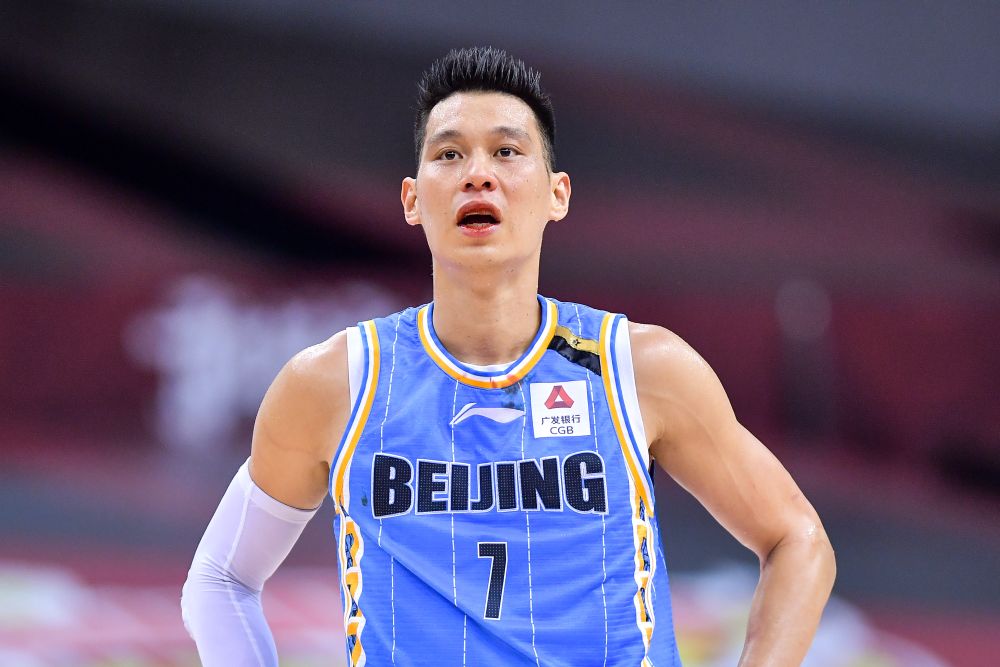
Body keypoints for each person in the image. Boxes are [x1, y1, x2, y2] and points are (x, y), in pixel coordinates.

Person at [181, 46, 835, 667]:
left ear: (558, 193)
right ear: (413, 199)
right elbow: (220, 577)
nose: (478, 173)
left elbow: (798, 540)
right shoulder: (336, 382)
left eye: (506, 151)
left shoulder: (638, 369)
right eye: (450, 154)